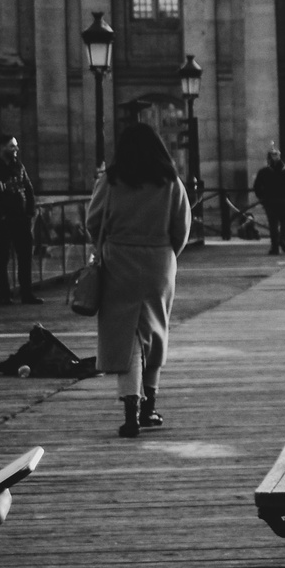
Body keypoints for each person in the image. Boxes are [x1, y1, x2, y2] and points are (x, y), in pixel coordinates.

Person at [87, 122, 189, 438]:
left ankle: (130, 409)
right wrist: (168, 254)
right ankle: (150, 407)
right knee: (156, 330)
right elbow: (182, 227)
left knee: (124, 334)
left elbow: (93, 221)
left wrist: (105, 247)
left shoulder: (112, 180)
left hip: (119, 259)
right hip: (159, 259)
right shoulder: (170, 180)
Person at [0, 133, 40, 303]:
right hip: (1, 217)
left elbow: (28, 187)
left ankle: (27, 293)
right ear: (2, 147)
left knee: (25, 255)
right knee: (3, 256)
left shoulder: (17, 164)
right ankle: (5, 295)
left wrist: (30, 211)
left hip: (20, 216)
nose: (16, 148)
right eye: (12, 146)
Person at [252, 148, 285, 252]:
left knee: (273, 224)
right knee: (284, 222)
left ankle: (274, 247)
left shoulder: (264, 171)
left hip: (270, 201)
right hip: (284, 200)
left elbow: (257, 186)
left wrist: (261, 197)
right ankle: (283, 240)